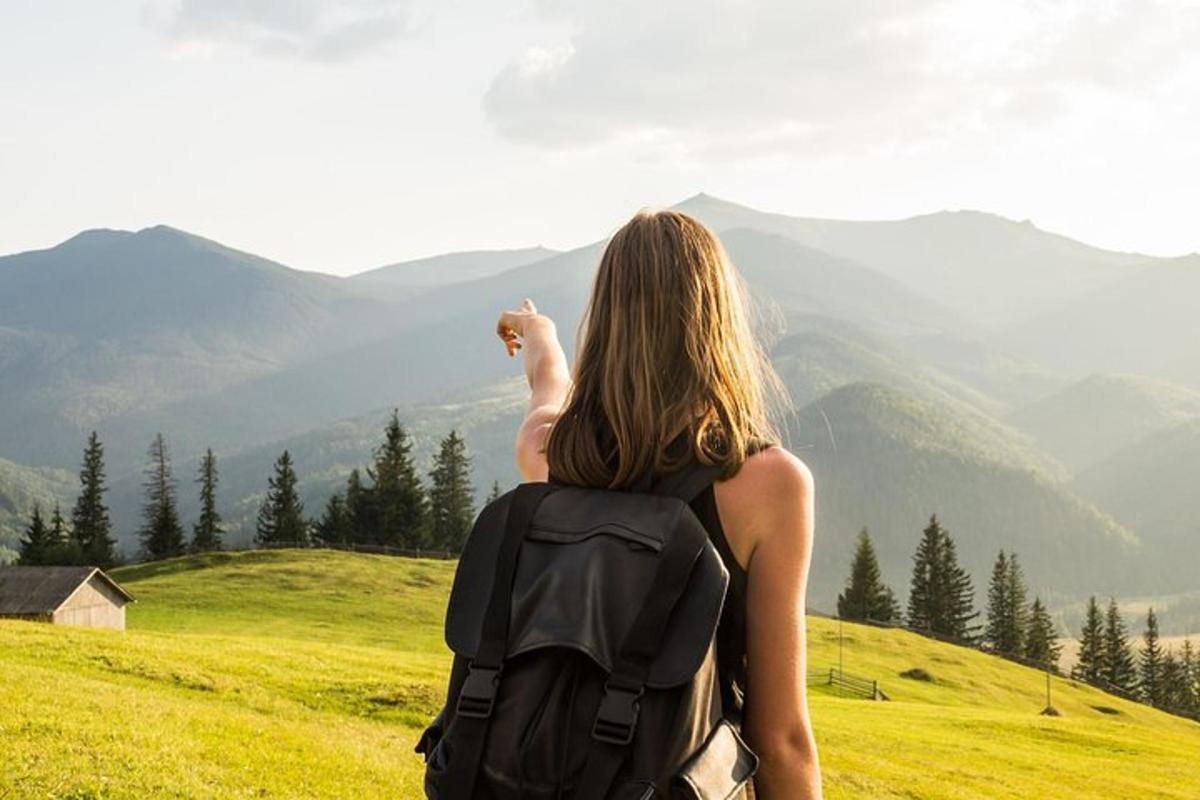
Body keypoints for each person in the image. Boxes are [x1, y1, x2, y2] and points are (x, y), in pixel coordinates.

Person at [494, 209, 822, 799]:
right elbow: (780, 741)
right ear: (717, 320)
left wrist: (538, 332)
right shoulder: (769, 485)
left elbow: (548, 386)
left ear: (606, 321)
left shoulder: (550, 453)